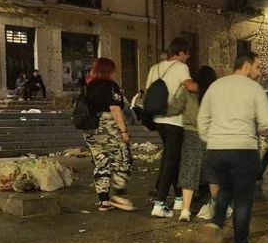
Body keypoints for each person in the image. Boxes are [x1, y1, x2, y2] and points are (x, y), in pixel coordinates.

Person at [198, 52, 268, 243]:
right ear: (247, 66)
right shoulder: (254, 88)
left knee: (226, 188)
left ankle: (216, 221)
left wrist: (211, 138)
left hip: (216, 149)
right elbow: (267, 121)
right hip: (243, 148)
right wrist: (256, 131)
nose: (260, 72)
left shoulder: (216, 86)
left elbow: (202, 118)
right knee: (243, 198)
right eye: (258, 67)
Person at [145, 37, 196, 218]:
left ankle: (179, 198)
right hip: (174, 120)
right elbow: (189, 86)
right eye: (186, 55)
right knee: (172, 161)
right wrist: (206, 86)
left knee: (170, 157)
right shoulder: (181, 67)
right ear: (181, 52)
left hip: (158, 120)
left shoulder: (155, 68)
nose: (187, 58)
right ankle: (160, 203)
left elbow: (147, 92)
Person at [81, 58, 134, 212]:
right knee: (123, 158)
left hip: (91, 128)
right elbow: (115, 109)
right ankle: (119, 194)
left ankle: (103, 200)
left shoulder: (89, 86)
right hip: (108, 126)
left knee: (101, 160)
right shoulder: (111, 86)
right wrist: (124, 131)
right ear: (109, 71)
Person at [170, 66, 218, 221]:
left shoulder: (187, 91)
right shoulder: (214, 92)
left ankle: (185, 210)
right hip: (211, 135)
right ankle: (217, 206)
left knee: (189, 169)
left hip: (191, 133)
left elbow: (174, 109)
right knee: (213, 172)